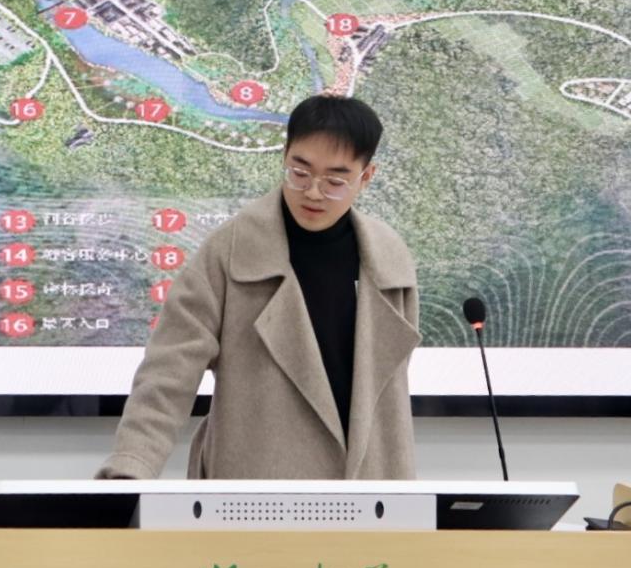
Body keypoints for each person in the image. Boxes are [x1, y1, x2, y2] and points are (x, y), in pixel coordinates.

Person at [97, 94, 421, 480]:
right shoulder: (230, 251)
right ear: (284, 156)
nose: (313, 192)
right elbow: (169, 373)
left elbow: (387, 386)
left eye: (335, 181)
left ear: (365, 177)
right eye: (300, 172)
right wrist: (131, 467)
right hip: (255, 485)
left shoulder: (389, 259)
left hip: (371, 487)